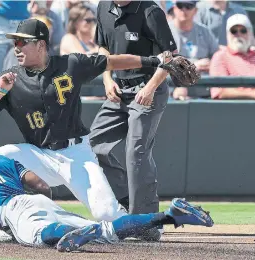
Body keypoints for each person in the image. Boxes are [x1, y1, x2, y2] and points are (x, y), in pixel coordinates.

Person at [0, 18, 187, 242]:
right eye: (15, 43)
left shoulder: (70, 64)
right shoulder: (10, 77)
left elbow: (110, 62)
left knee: (106, 214)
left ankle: (147, 225)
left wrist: (153, 60)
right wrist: (0, 91)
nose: (16, 48)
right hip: (38, 155)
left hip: (76, 154)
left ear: (41, 45)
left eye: (23, 43)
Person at [0, 125, 214, 253]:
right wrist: (39, 205)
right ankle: (169, 215)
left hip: (17, 211)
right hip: (33, 201)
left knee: (44, 237)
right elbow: (37, 183)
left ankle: (64, 232)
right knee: (108, 231)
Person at [87, 0, 178, 240]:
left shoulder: (150, 11)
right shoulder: (103, 6)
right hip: (119, 89)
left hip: (148, 88)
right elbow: (104, 49)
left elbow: (169, 57)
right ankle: (127, 200)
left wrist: (149, 88)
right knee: (92, 145)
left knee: (136, 152)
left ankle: (146, 222)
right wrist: (107, 80)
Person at [168, 0, 219, 100]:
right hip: (174, 90)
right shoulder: (165, 31)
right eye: (180, 5)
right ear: (174, 8)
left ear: (195, 11)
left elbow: (218, 58)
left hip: (204, 91)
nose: (184, 10)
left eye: (188, 6)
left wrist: (212, 65)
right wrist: (193, 66)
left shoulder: (204, 31)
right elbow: (160, 63)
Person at [209, 14, 255, 100]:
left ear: (250, 33)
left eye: (243, 31)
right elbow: (220, 92)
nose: (238, 34)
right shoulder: (220, 56)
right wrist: (252, 94)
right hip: (234, 109)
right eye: (234, 31)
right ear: (228, 34)